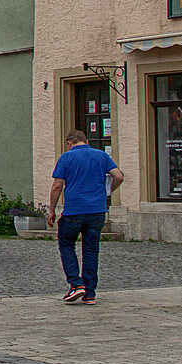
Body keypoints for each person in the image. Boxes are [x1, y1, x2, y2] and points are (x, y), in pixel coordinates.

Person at [49, 128, 124, 305]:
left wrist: (51, 210)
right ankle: (90, 292)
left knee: (66, 244)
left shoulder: (66, 157)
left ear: (69, 143)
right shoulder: (101, 156)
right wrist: (106, 192)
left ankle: (76, 284)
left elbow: (57, 186)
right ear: (86, 141)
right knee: (91, 249)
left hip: (74, 210)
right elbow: (118, 176)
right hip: (97, 210)